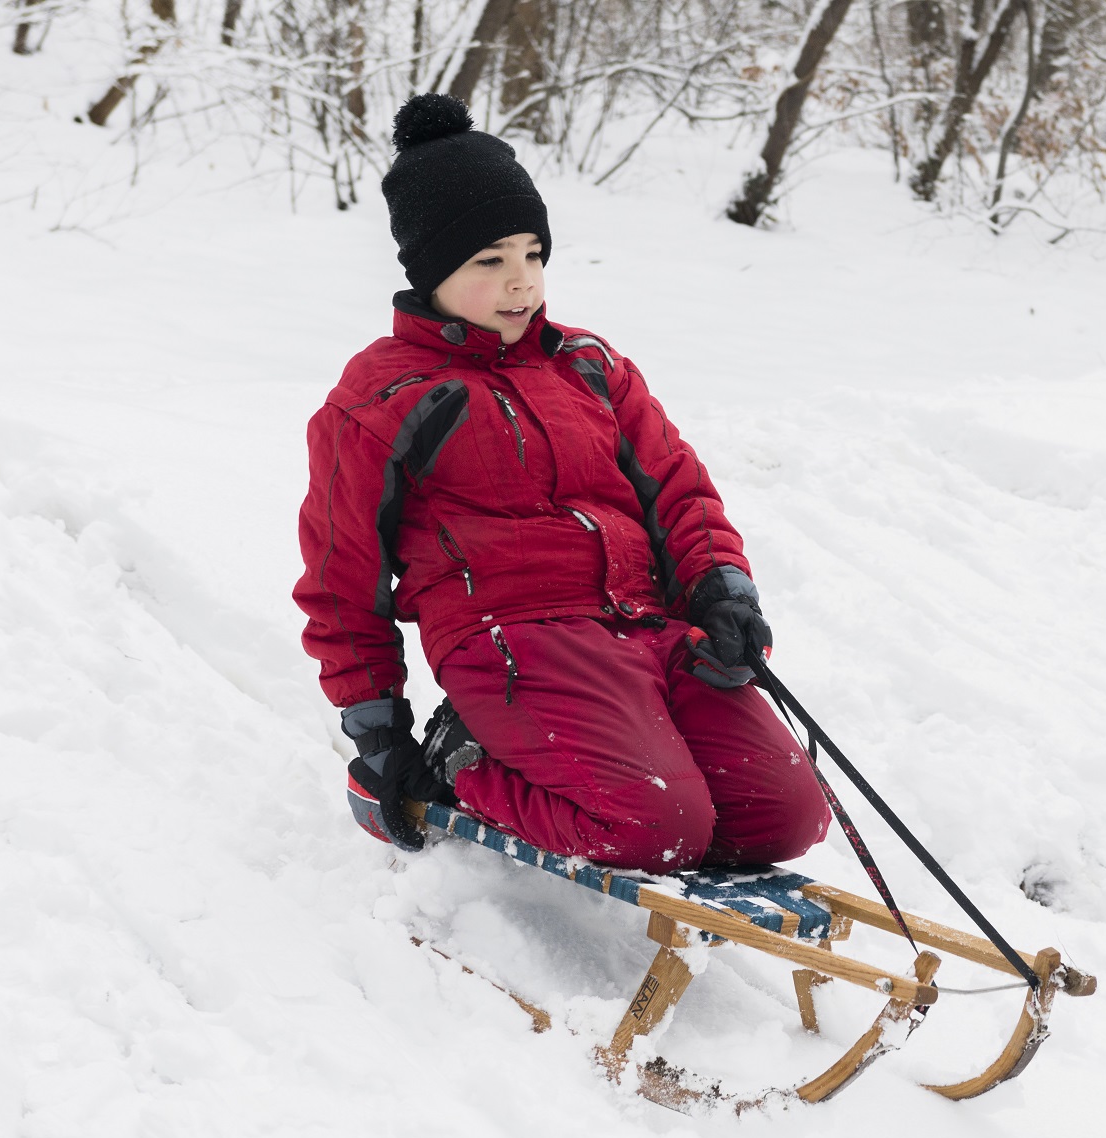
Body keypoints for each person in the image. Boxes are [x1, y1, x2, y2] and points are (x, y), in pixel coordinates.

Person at [294, 92, 830, 874]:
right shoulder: (383, 399)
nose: (522, 282)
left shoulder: (588, 364)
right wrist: (379, 735)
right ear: (431, 269)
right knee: (658, 829)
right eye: (490, 261)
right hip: (514, 644)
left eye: (532, 255)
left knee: (785, 815)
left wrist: (722, 588)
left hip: (645, 628)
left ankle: (638, 763)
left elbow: (678, 489)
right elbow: (343, 582)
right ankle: (463, 756)